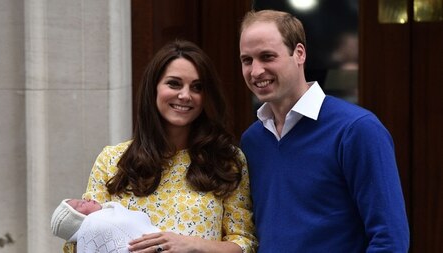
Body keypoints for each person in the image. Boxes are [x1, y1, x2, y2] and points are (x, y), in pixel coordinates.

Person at [238, 9, 409, 252]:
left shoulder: (357, 130)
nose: (255, 71)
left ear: (299, 53)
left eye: (267, 56)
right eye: (247, 60)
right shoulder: (252, 141)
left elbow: (390, 240)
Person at [63, 39, 257, 253]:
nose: (185, 95)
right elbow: (82, 238)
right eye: (174, 83)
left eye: (197, 87)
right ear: (153, 88)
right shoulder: (112, 160)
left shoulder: (226, 161)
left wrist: (192, 245)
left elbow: (244, 243)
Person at [51, 199, 159, 253]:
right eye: (81, 204)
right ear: (77, 219)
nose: (87, 199)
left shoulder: (110, 214)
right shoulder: (96, 222)